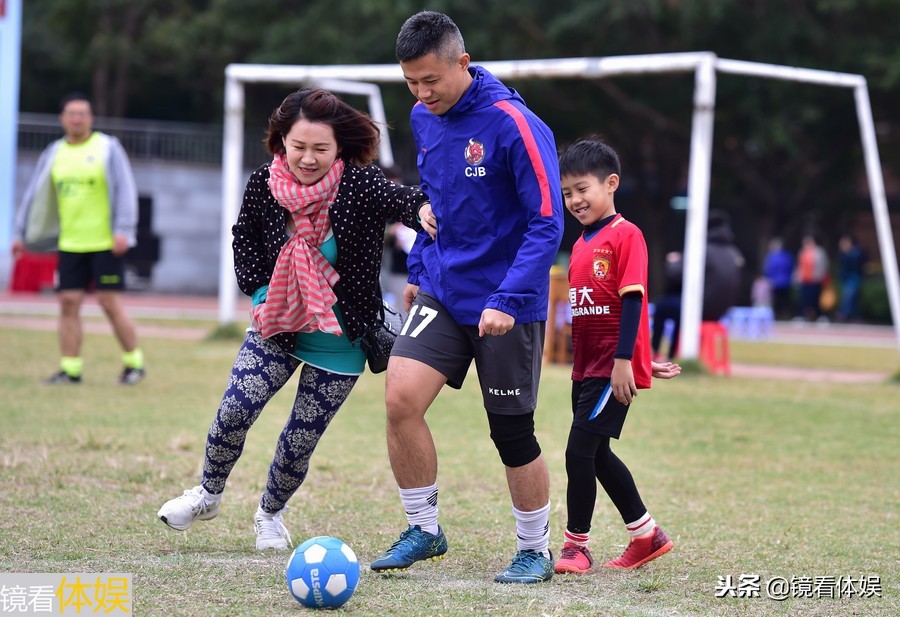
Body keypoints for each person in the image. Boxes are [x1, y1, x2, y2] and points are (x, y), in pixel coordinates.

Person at [157, 88, 428, 550]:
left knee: (300, 440)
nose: (308, 158)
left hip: (341, 339)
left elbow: (404, 201)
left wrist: (423, 210)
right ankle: (208, 493)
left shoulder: (362, 183)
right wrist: (263, 293)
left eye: (321, 148)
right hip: (277, 324)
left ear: (339, 146)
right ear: (281, 140)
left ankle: (270, 515)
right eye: (298, 146)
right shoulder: (264, 183)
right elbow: (244, 238)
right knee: (235, 410)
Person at [370, 11, 564, 583]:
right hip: (442, 291)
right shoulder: (422, 119)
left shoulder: (515, 124)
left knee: (511, 431)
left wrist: (506, 299)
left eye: (431, 80)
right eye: (411, 82)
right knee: (399, 398)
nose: (422, 93)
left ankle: (534, 549)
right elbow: (435, 203)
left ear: (463, 61)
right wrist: (417, 267)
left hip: (507, 305)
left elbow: (547, 223)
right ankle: (423, 530)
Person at [553, 138, 680, 575]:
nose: (574, 200)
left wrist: (626, 361)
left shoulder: (626, 235)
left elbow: (632, 302)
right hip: (586, 369)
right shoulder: (582, 244)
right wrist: (642, 358)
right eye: (567, 192)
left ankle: (575, 546)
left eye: (582, 189)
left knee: (577, 452)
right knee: (597, 453)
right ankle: (646, 535)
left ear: (611, 184)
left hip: (610, 369)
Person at [12, 92, 145, 385]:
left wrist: (124, 230)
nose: (76, 118)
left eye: (82, 113)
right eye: (71, 113)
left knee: (109, 302)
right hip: (70, 243)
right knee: (68, 302)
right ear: (62, 118)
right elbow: (34, 196)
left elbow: (125, 190)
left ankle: (134, 363)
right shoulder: (53, 153)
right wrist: (21, 233)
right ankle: (70, 369)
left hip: (105, 243)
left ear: (91, 118)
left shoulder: (107, 148)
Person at [649, 211, 743, 360]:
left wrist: (673, 262)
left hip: (700, 308)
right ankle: (672, 353)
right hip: (720, 312)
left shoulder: (701, 249)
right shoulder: (733, 253)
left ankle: (658, 352)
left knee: (663, 307)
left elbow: (676, 274)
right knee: (678, 307)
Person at [795, 234, 829, 322]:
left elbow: (823, 265)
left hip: (816, 280)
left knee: (816, 299)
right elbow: (799, 266)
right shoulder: (802, 252)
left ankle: (820, 316)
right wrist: (797, 277)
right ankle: (802, 315)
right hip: (805, 280)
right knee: (804, 299)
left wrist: (821, 276)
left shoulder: (819, 252)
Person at [763, 237, 794, 320]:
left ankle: (777, 315)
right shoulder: (787, 256)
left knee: (776, 300)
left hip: (775, 282)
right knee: (785, 299)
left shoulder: (772, 257)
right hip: (786, 281)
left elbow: (768, 269)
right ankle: (785, 314)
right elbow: (791, 267)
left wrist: (769, 278)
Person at [836, 234, 865, 322]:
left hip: (854, 277)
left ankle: (843, 314)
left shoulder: (856, 253)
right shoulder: (842, 254)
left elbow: (857, 265)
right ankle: (856, 316)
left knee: (849, 295)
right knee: (853, 298)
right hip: (845, 277)